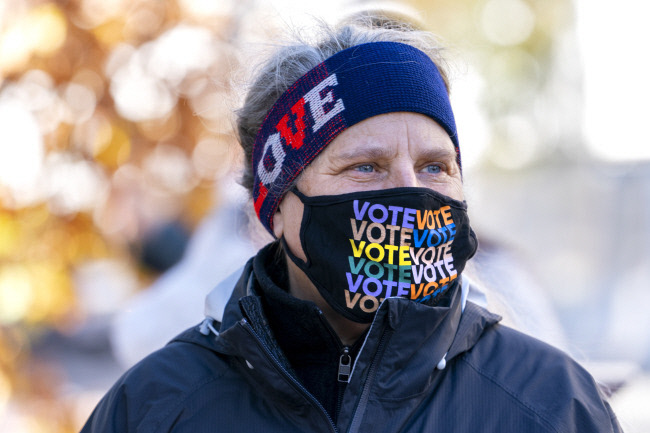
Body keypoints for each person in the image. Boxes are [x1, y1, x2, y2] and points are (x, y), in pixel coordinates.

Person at [81, 14, 623, 433]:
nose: (409, 191)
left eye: (435, 167)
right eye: (366, 166)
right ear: (277, 207)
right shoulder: (154, 408)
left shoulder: (553, 404)